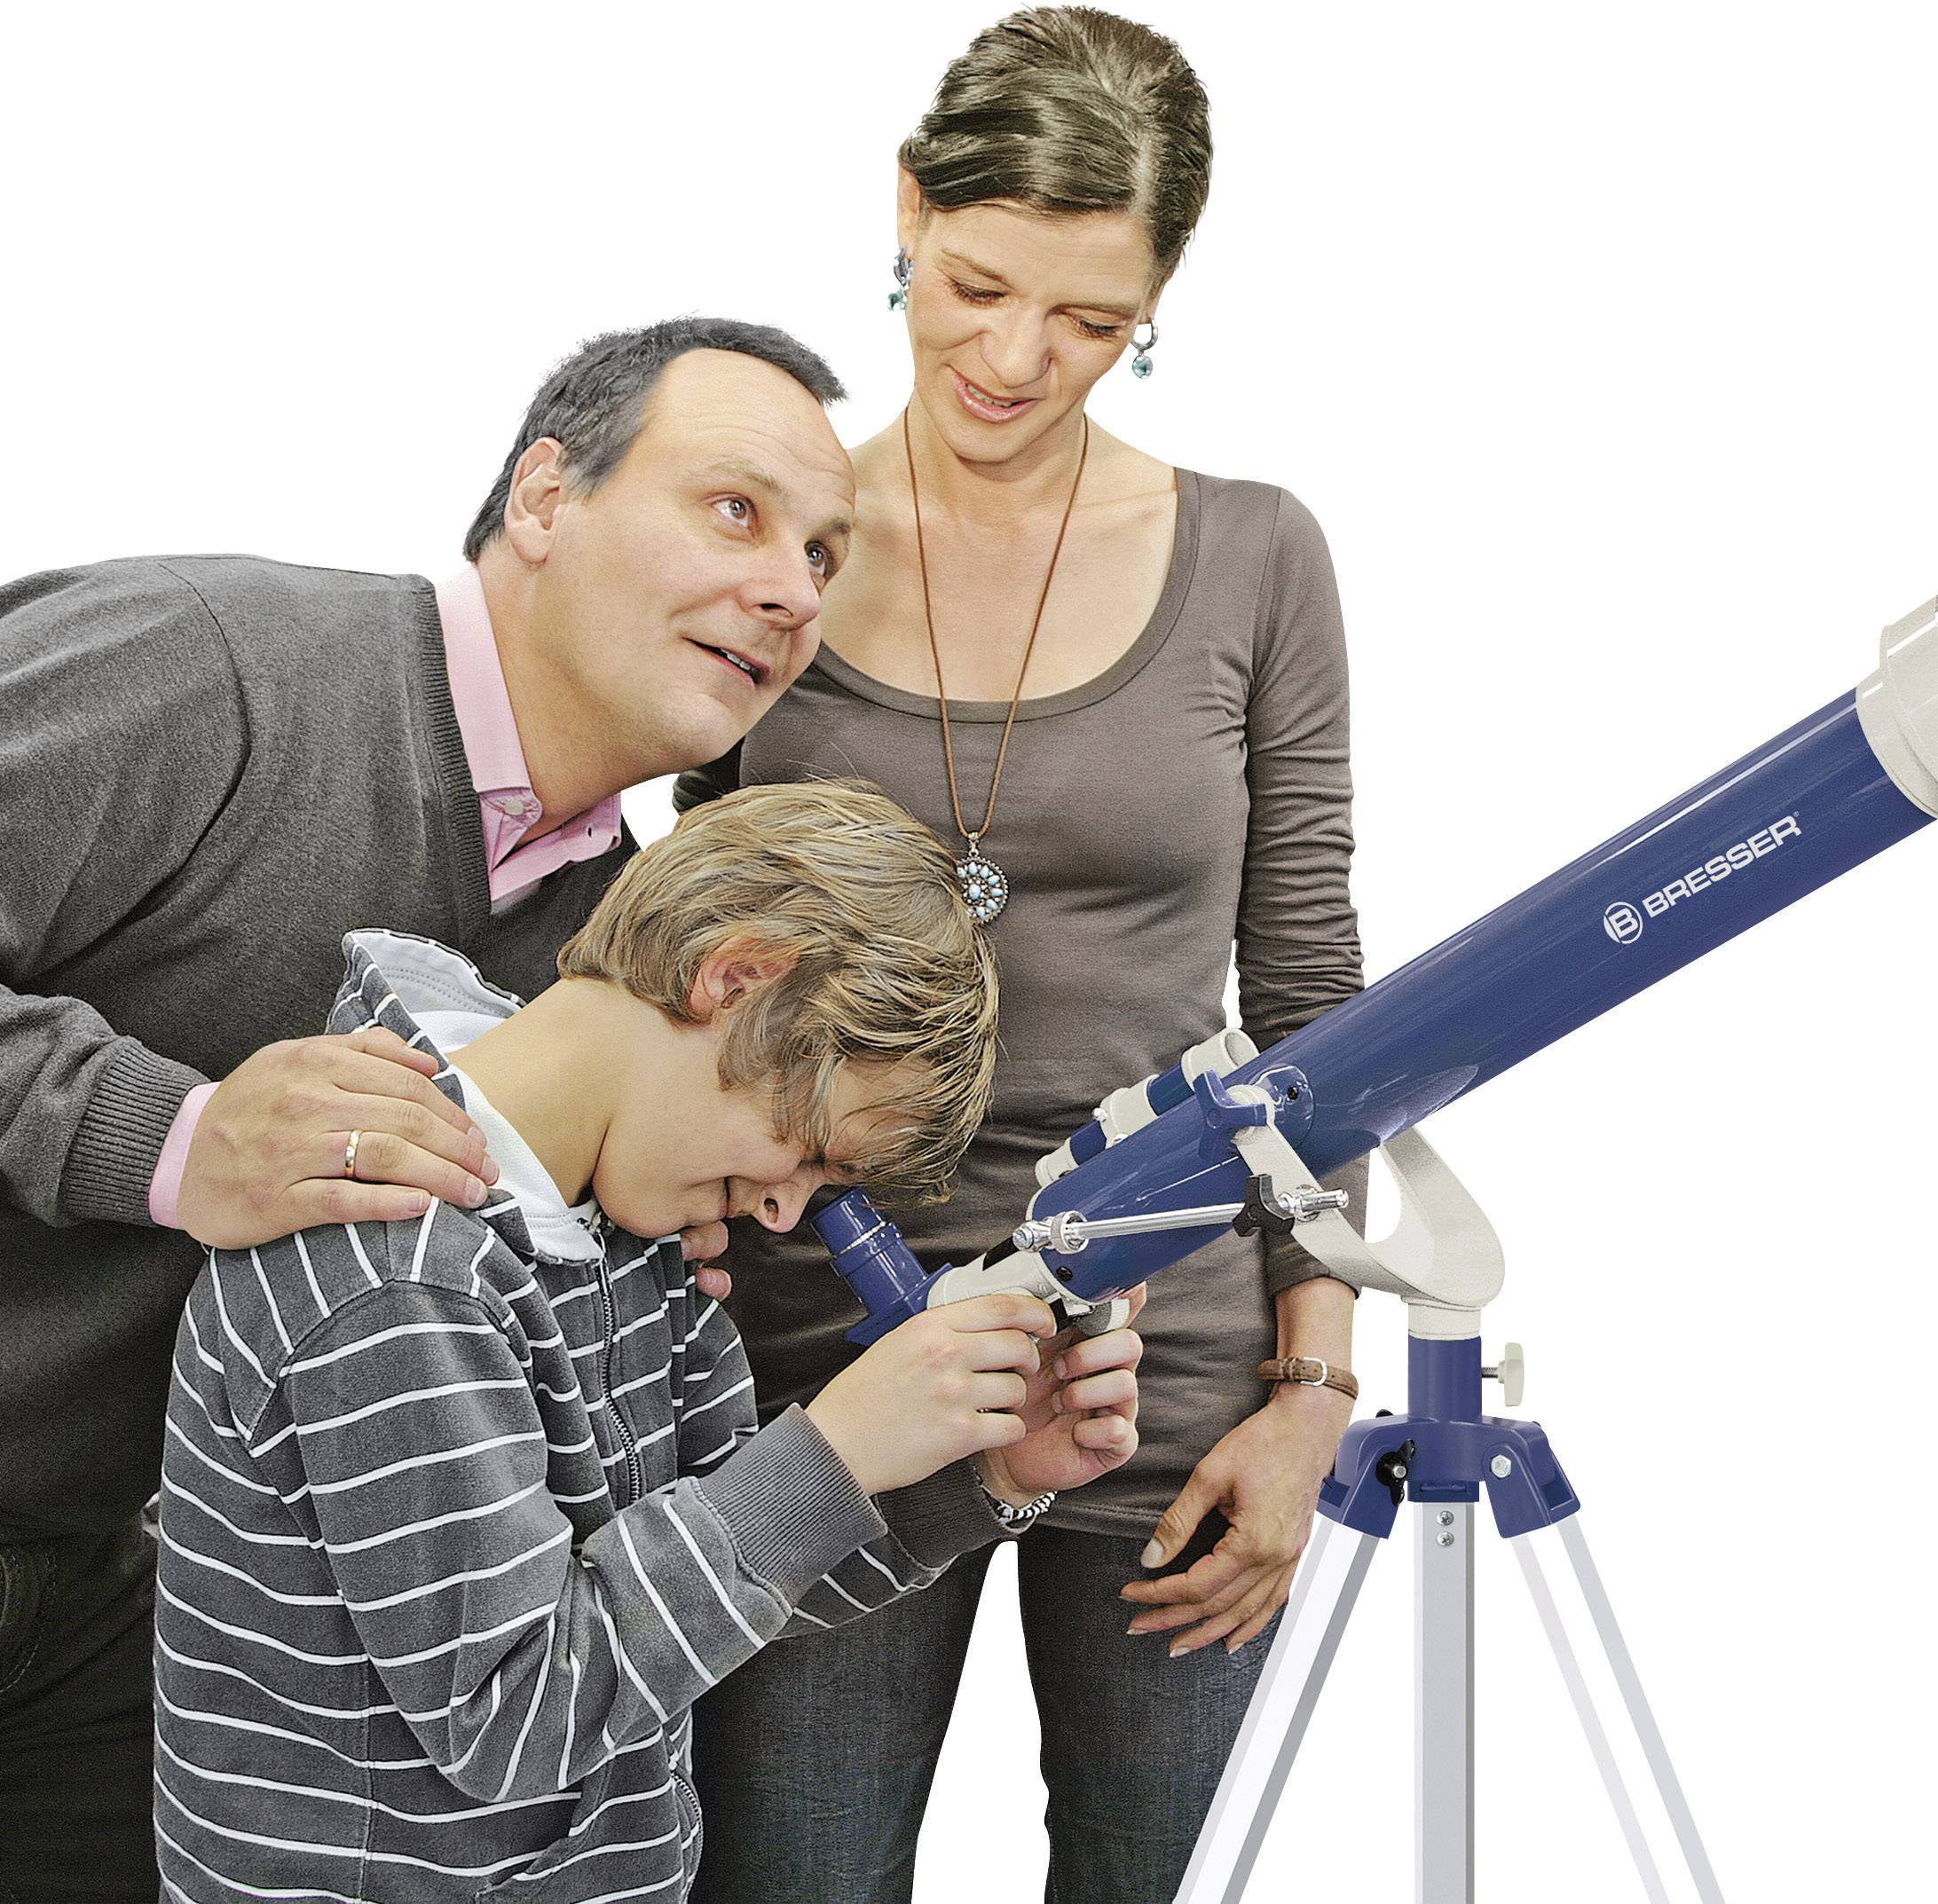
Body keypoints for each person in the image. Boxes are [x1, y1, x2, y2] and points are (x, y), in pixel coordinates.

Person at [0, 316, 863, 1900]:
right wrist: (174, 1143)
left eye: (824, 552)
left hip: (119, 1607)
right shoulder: (207, 667)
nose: (793, 588)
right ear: (544, 497)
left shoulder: (625, 954)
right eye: (736, 511)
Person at [679, 12, 1367, 1900]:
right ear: (902, 212)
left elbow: (1311, 997)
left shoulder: (1251, 556)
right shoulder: (767, 535)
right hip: (819, 1345)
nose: (1008, 357)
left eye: (1084, 315)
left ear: (1157, 294)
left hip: (1170, 1362)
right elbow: (648, 950)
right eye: (973, 284)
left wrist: (1310, 1393)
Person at [153, 781, 1146, 1902]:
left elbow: (699, 1604)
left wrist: (977, 1473)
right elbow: (516, 1722)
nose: (783, 1211)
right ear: (735, 976)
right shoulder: (394, 1275)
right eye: (808, 1148)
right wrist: (835, 1447)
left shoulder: (623, 1228)